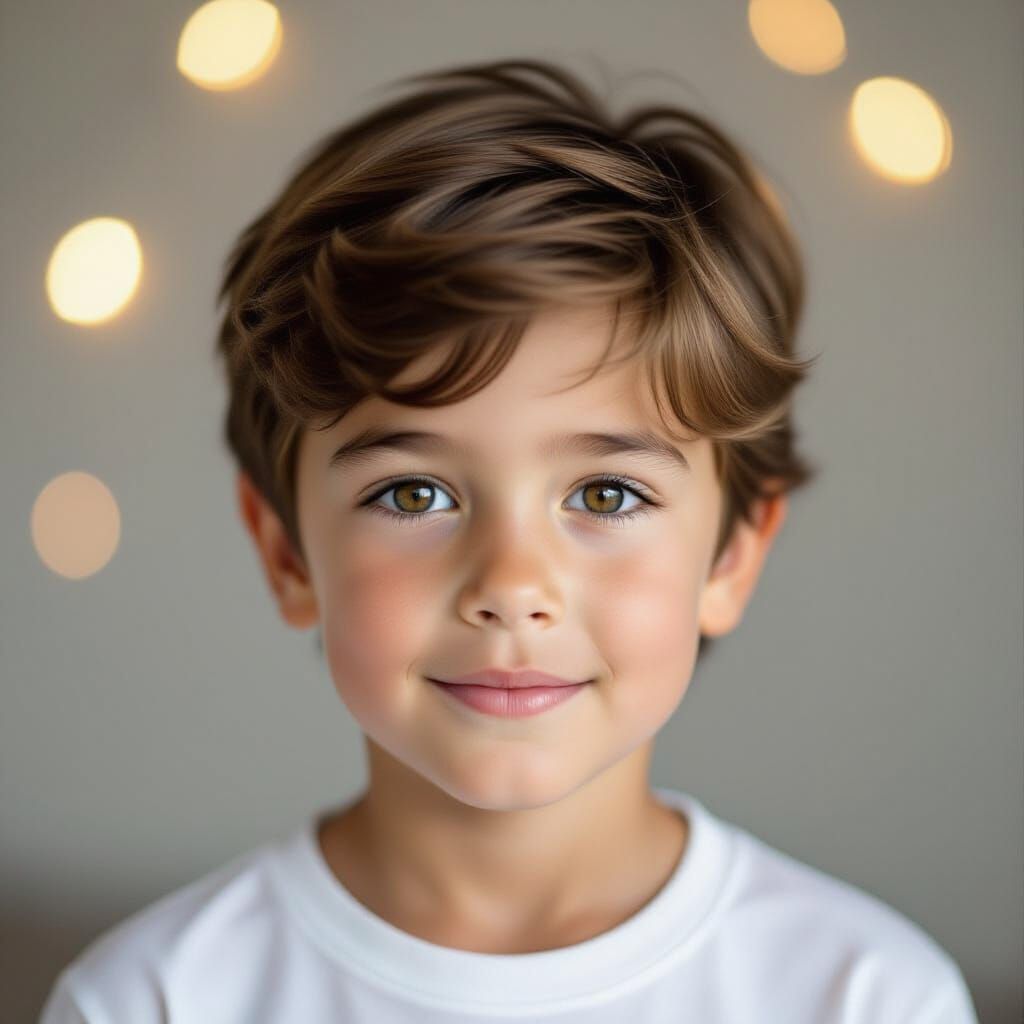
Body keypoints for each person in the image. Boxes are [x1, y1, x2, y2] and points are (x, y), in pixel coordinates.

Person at [40, 58, 978, 1022]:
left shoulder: (867, 996)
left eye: (607, 494)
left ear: (733, 554)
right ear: (285, 552)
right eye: (414, 493)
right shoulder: (150, 1001)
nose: (512, 583)